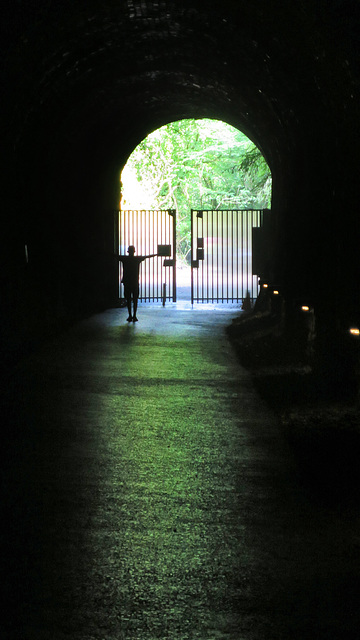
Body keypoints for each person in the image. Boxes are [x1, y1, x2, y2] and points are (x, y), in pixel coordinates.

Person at [119, 245, 157, 322]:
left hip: (127, 282)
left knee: (128, 299)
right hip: (135, 282)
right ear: (134, 251)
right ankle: (134, 316)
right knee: (135, 299)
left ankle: (130, 315)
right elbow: (148, 256)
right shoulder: (137, 259)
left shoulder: (125, 259)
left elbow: (114, 255)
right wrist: (158, 254)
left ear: (128, 251)